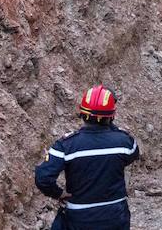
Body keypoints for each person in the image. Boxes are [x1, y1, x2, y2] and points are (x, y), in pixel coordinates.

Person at [35, 84, 142, 229]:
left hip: (79, 217)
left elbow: (43, 178)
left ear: (82, 112)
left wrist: (59, 194)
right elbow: (133, 155)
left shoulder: (66, 145)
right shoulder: (124, 142)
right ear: (112, 115)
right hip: (115, 215)